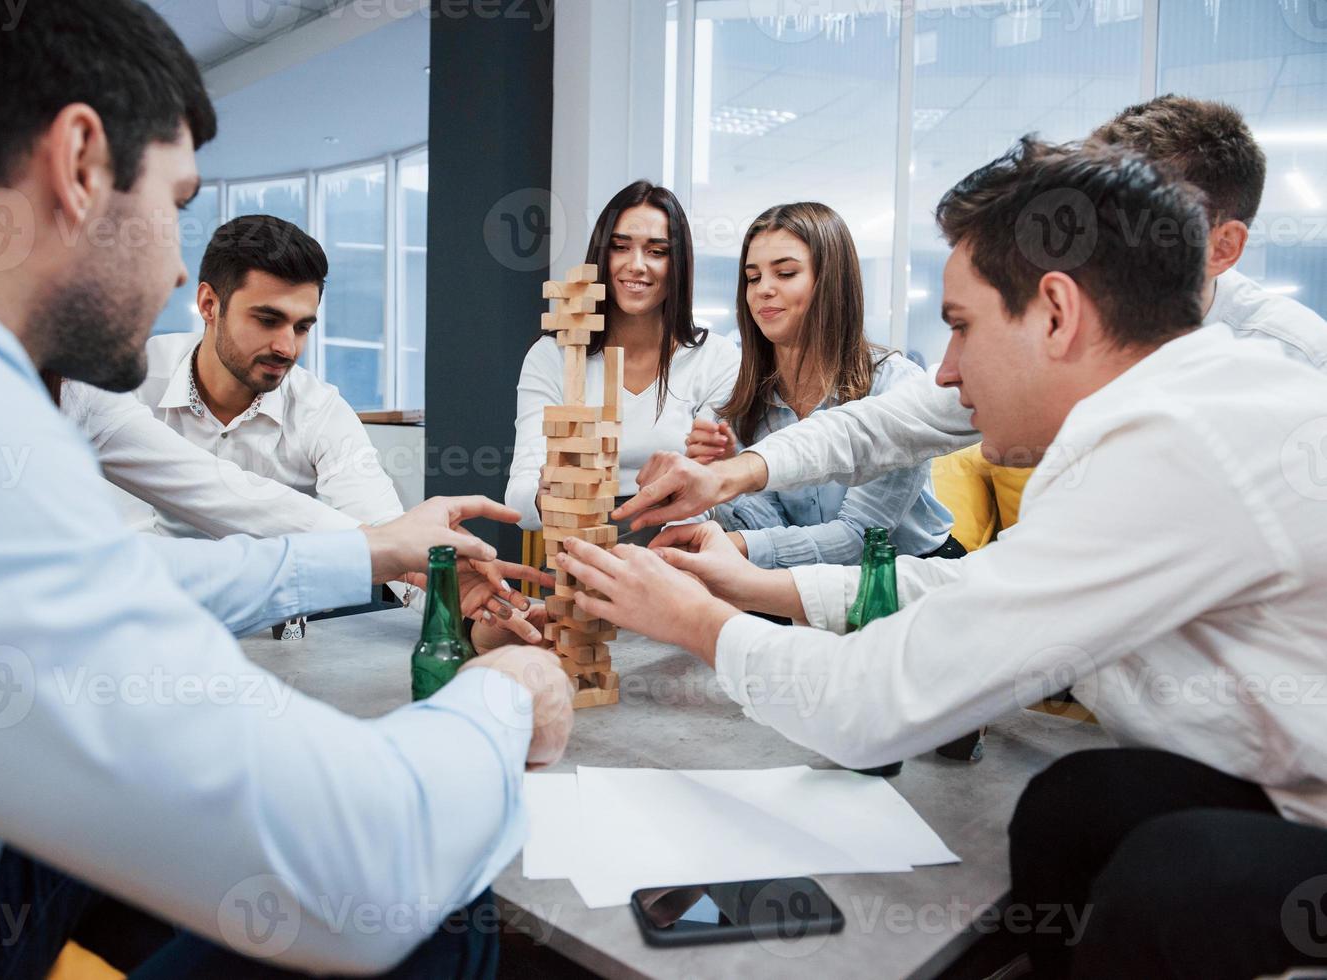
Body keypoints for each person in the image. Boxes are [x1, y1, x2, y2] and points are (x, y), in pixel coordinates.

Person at [0, 5, 570, 977]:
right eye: (176, 201)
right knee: (435, 900)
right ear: (77, 160)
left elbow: (114, 575)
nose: (168, 262)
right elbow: (370, 863)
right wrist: (501, 696)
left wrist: (384, 549)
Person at [556, 139, 1327, 978]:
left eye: (961, 327)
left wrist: (701, 623)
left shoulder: (1175, 443)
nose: (949, 373)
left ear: (1058, 313)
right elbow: (976, 578)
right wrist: (756, 579)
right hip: (1291, 778)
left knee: (1179, 882)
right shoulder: (1173, 400)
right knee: (1078, 806)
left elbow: (877, 701)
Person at [611, 94, 1327, 533]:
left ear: (1223, 246)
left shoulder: (1291, 374)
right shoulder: (1043, 350)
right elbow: (892, 425)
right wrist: (736, 477)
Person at [63, 214, 549, 643]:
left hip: (278, 647)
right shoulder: (122, 384)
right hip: (141, 631)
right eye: (268, 319)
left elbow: (380, 527)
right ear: (209, 305)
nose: (287, 347)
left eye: (302, 327)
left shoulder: (319, 409)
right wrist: (388, 549)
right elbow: (134, 543)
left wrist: (460, 606)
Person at [686, 201, 957, 569]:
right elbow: (775, 529)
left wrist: (733, 542)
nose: (763, 289)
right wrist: (729, 480)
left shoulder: (895, 386)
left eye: (785, 273)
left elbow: (860, 540)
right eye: (753, 277)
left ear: (830, 282)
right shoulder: (746, 400)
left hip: (905, 575)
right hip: (807, 580)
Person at [504, 180, 739, 543]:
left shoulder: (716, 358)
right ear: (603, 254)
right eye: (621, 247)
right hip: (577, 541)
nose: (637, 265)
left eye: (657, 251)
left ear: (677, 264)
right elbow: (519, 497)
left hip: (674, 540)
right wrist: (547, 493)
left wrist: (660, 554)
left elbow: (705, 488)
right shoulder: (554, 355)